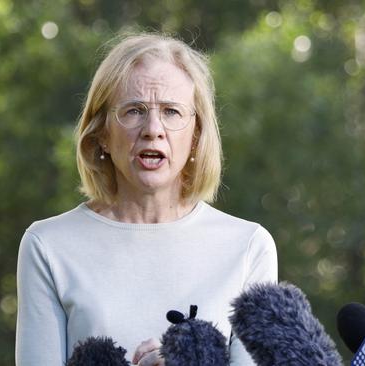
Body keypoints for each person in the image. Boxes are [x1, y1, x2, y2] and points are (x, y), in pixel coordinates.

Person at [15, 33, 278, 365]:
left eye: (171, 111)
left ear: (196, 136)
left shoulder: (249, 247)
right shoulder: (47, 246)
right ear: (102, 134)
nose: (153, 129)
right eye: (134, 111)